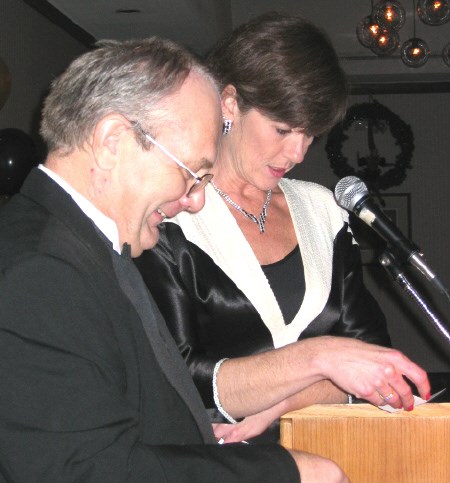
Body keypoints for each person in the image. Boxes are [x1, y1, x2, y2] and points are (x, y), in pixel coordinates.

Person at [0, 37, 355, 483]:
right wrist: (283, 475)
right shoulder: (40, 273)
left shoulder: (84, 250)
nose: (193, 201)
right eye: (192, 173)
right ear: (111, 142)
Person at [136, 12, 431, 444]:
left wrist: (281, 404)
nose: (296, 151)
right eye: (282, 129)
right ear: (230, 102)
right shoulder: (172, 213)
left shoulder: (323, 210)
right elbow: (176, 376)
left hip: (333, 454)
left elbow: (371, 357)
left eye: (310, 134)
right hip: (213, 467)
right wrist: (319, 358)